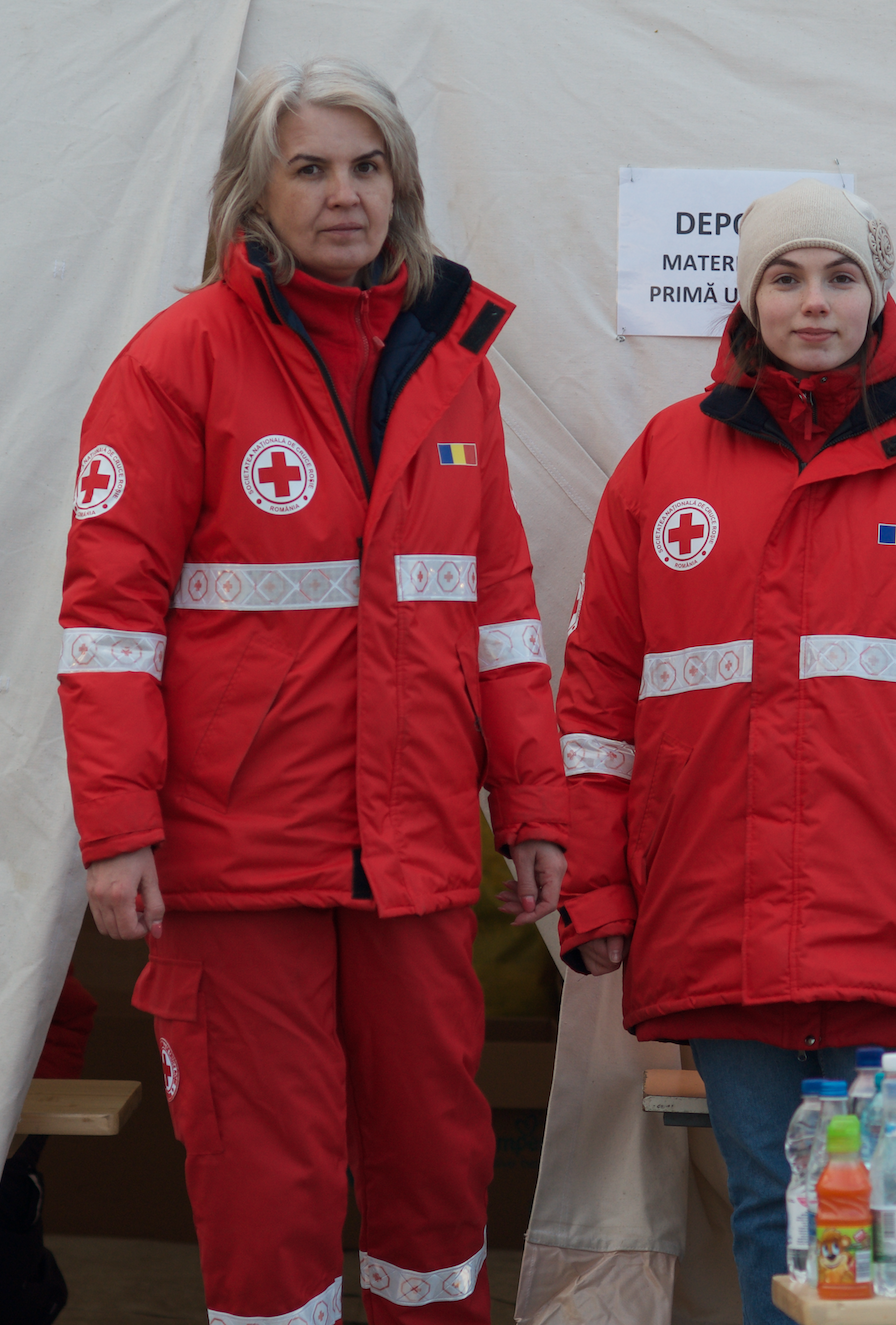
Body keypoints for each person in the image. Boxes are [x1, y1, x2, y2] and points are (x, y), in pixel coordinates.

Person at [57, 58, 568, 1324]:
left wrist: (539, 809)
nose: (345, 195)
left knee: (438, 1164)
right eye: (311, 168)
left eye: (367, 165)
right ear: (255, 191)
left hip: (414, 846)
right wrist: (118, 827)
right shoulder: (175, 360)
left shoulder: (461, 370)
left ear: (400, 182)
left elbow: (499, 616)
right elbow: (109, 620)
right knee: (265, 1170)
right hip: (240, 852)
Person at [551, 179, 896, 1323]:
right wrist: (592, 887)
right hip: (717, 918)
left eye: (838, 276)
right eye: (784, 277)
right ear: (746, 299)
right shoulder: (661, 463)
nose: (812, 301)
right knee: (765, 1209)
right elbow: (595, 700)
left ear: (876, 296)